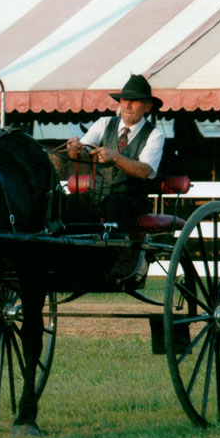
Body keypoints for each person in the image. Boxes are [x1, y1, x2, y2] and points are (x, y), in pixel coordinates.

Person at [65, 74, 165, 284]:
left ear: (147, 107)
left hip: (130, 200)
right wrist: (74, 149)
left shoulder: (154, 134)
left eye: (134, 101)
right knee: (66, 205)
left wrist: (116, 157)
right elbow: (82, 151)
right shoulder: (104, 123)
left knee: (115, 206)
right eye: (124, 100)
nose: (127, 105)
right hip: (97, 195)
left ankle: (111, 266)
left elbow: (145, 170)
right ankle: (67, 263)